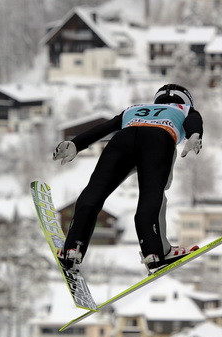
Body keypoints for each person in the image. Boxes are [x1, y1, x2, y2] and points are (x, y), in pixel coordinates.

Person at [52, 83, 203, 274]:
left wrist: (77, 144)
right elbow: (193, 122)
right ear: (186, 99)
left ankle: (73, 248)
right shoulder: (186, 109)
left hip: (122, 141)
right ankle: (155, 253)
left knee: (95, 191)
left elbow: (104, 128)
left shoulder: (133, 109)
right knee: (152, 195)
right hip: (158, 141)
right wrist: (194, 134)